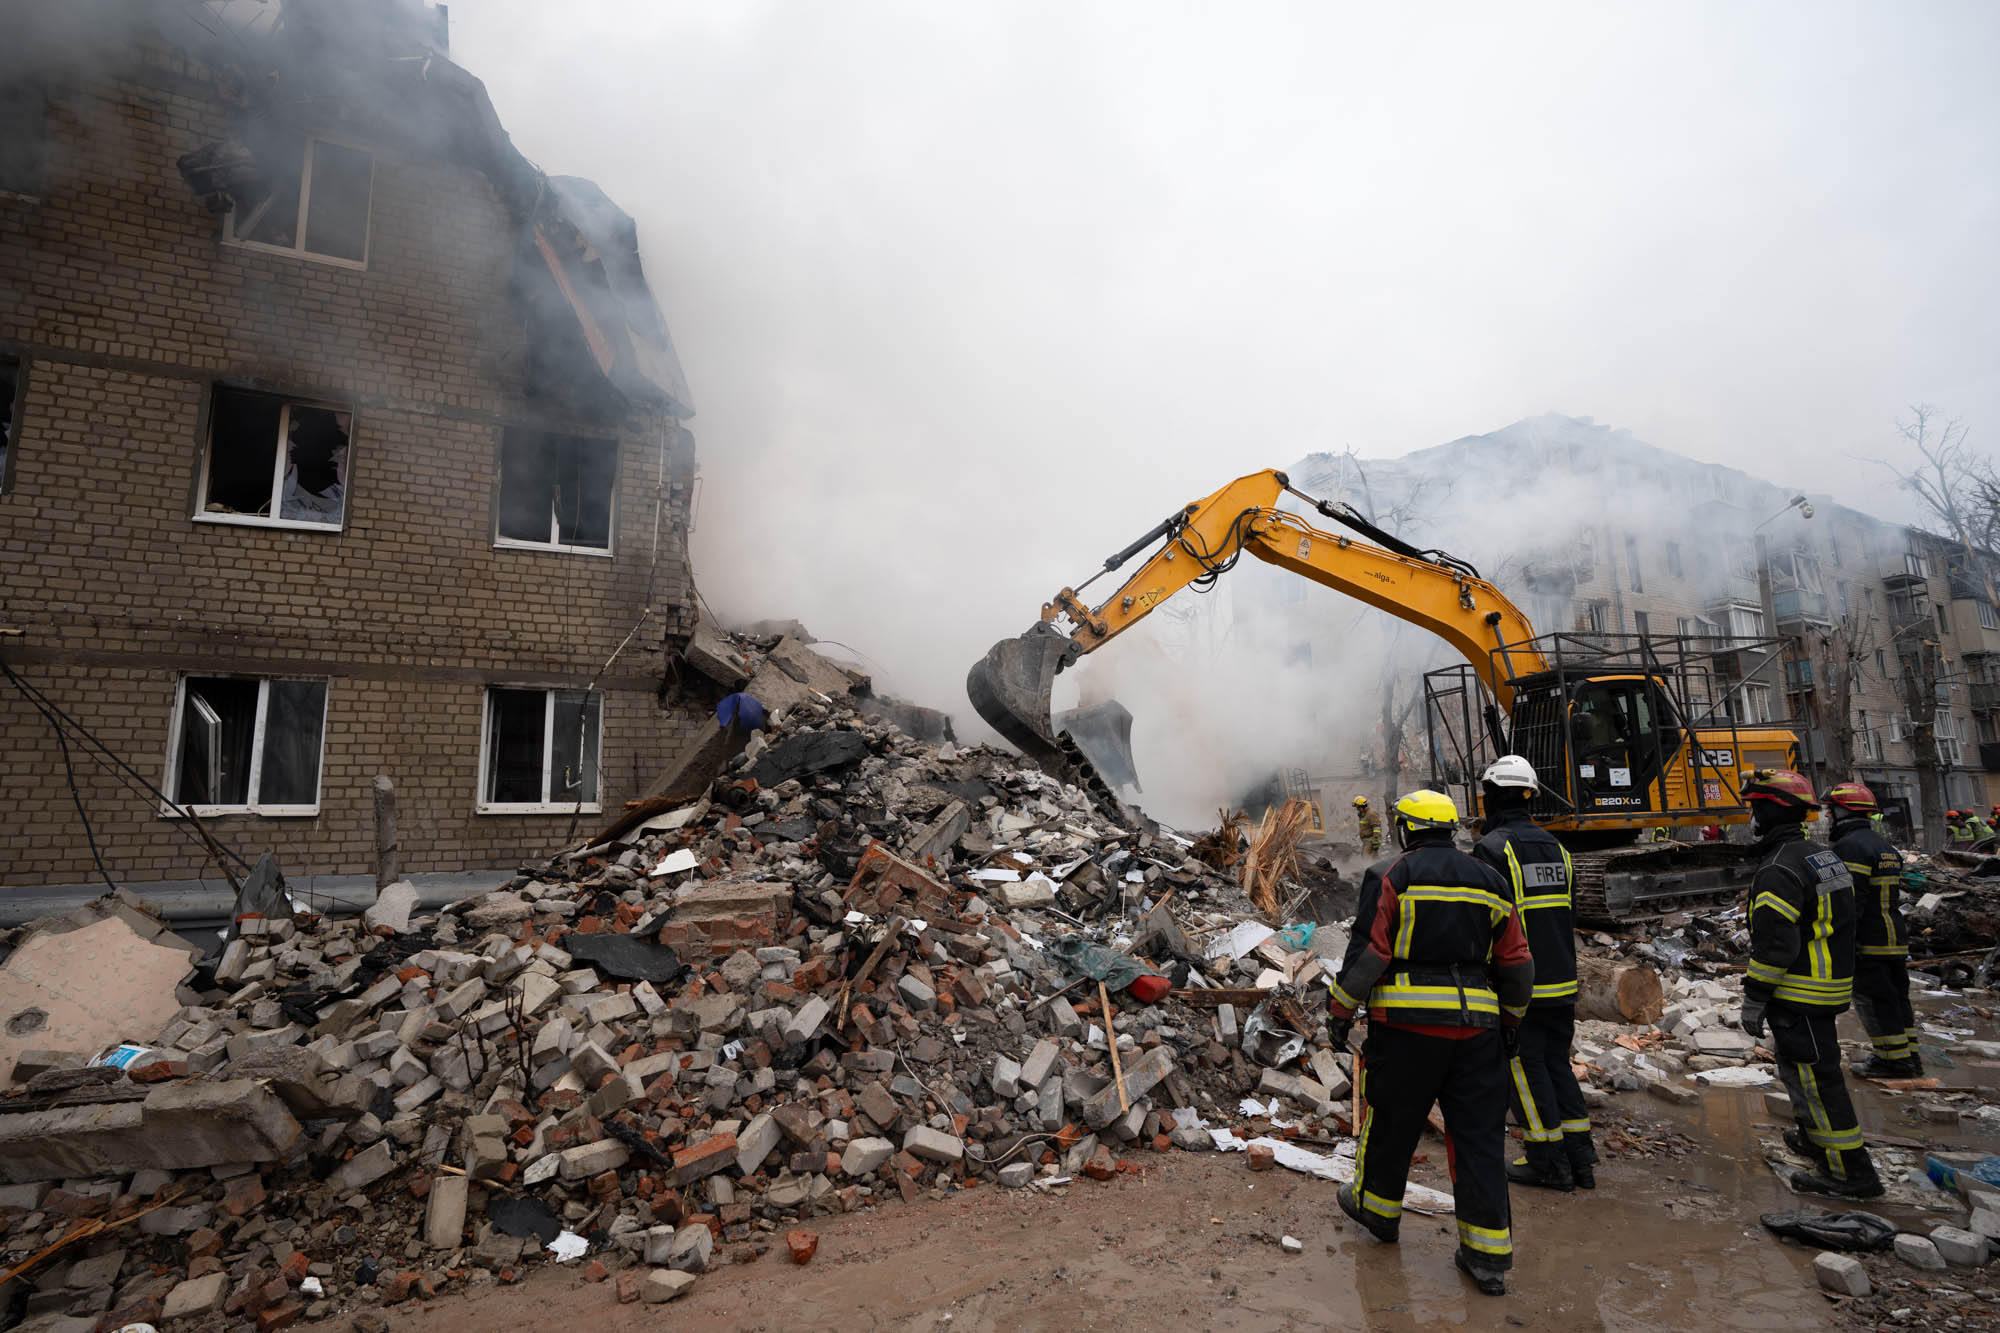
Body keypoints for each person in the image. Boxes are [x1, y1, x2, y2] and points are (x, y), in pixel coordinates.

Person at [1326, 789, 1535, 1297]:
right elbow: (1518, 963)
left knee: (1392, 1120)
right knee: (1479, 1139)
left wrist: (1338, 1010)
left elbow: (1371, 955)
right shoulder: (1491, 880)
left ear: (1406, 830)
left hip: (1406, 1029)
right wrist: (1511, 1021)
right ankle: (1487, 1257)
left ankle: (1378, 1213)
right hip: (1477, 1031)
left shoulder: (1392, 874)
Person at [1739, 770, 1882, 1198]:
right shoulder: (1823, 856)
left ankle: (1850, 1173)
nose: (1752, 816)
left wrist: (1754, 997)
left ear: (1769, 810)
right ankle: (1813, 1138)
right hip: (1828, 985)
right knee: (1805, 1073)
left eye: (1755, 807)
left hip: (1801, 992)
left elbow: (1776, 944)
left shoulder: (1779, 868)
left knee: (1817, 1082)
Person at [1471, 756, 1596, 1192]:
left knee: (1523, 1069)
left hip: (1520, 984)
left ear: (1492, 798)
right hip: (1562, 980)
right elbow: (1571, 915)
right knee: (1556, 1064)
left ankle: (1546, 1160)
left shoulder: (1493, 850)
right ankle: (1581, 1158)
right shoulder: (1558, 850)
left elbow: (1484, 923)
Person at [1826, 782, 1919, 1079]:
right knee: (1897, 999)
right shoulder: (1884, 846)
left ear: (1842, 811)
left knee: (1876, 1001)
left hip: (1870, 940)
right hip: (1894, 938)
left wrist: (1844, 941)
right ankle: (1909, 1057)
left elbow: (1849, 901)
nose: (1828, 817)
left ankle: (1892, 1061)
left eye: (1830, 811)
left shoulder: (1850, 847)